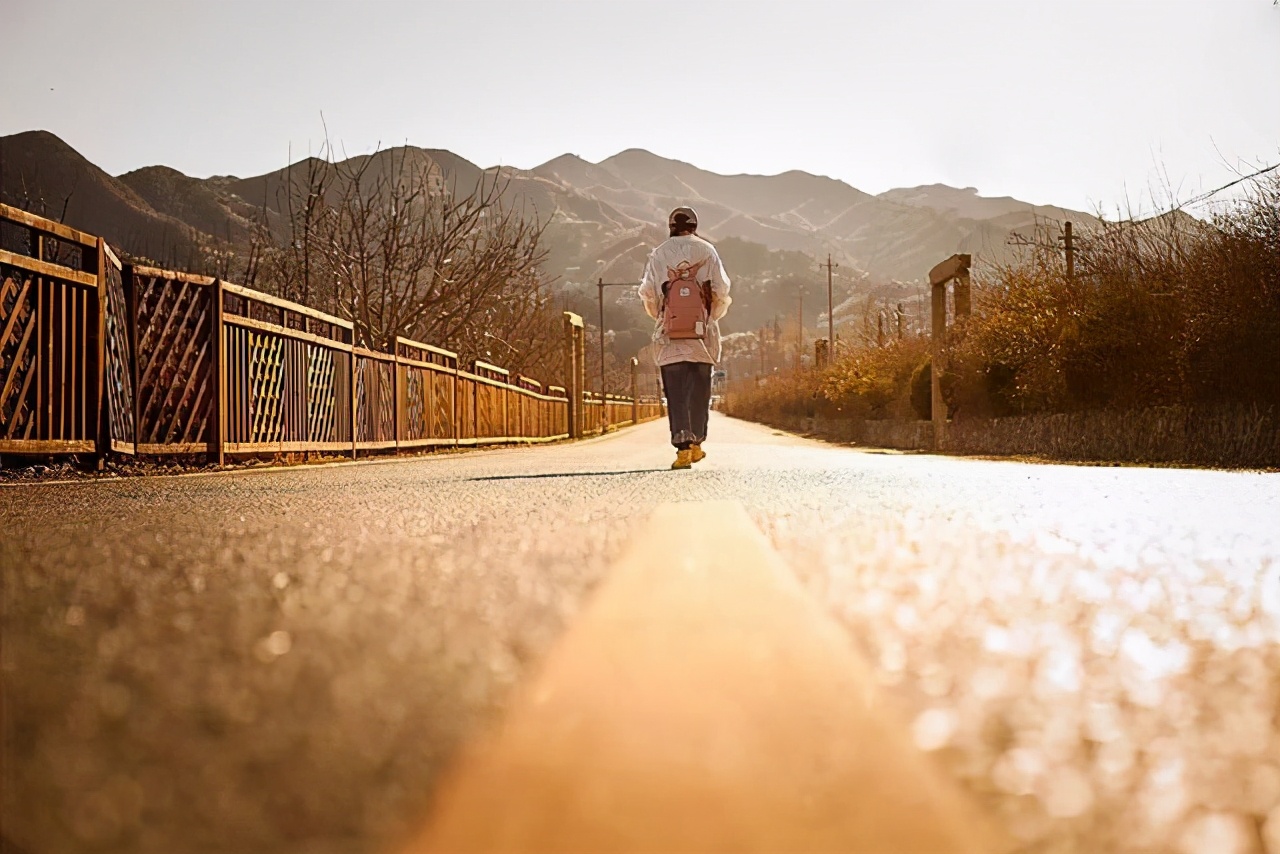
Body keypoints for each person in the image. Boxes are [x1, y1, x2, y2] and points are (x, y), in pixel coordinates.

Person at [638, 206, 732, 470]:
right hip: (702, 336)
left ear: (670, 227)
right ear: (694, 226)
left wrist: (664, 317)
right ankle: (698, 444)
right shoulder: (707, 251)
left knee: (676, 394)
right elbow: (722, 290)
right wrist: (708, 317)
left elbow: (647, 293)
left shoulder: (659, 254)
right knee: (700, 393)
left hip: (670, 339)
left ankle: (682, 449)